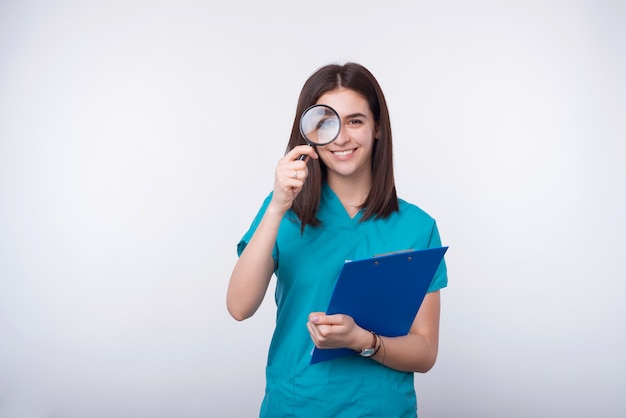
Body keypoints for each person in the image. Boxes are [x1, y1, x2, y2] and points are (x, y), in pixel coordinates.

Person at [227, 62, 448, 417]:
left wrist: (364, 342)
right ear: (309, 134)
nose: (342, 137)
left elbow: (425, 352)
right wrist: (278, 206)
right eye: (326, 123)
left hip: (383, 408)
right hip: (298, 405)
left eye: (356, 121)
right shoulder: (282, 213)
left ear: (377, 128)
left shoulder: (417, 226)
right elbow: (239, 307)